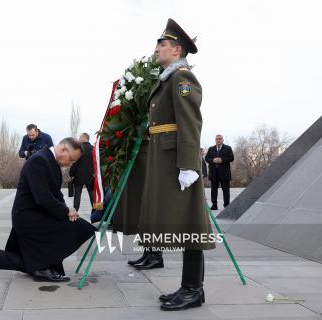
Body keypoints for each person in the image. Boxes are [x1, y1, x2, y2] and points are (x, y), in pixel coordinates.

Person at [138, 19, 216, 311]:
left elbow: (190, 122)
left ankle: (193, 289)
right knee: (181, 222)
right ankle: (189, 287)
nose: (157, 49)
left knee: (190, 223)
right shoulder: (168, 78)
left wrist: (188, 165)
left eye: (162, 44)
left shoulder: (182, 78)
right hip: (164, 156)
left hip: (177, 160)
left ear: (177, 49)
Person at [0, 138, 96, 282]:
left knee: (37, 262)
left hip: (38, 214)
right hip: (28, 217)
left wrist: (68, 208)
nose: (70, 164)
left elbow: (56, 194)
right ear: (63, 149)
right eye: (71, 159)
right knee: (77, 228)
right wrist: (66, 213)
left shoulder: (51, 161)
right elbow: (43, 198)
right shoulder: (39, 160)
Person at [112, 126, 164, 270]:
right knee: (142, 210)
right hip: (139, 153)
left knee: (148, 207)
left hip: (148, 153)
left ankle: (156, 255)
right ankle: (148, 253)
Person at [205, 135, 234, 210]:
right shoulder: (211, 149)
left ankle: (226, 205)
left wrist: (222, 160)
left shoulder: (228, 148)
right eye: (217, 139)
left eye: (220, 139)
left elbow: (231, 158)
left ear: (222, 140)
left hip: (224, 173)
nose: (218, 140)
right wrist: (213, 160)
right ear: (215, 140)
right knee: (213, 190)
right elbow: (207, 158)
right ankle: (214, 205)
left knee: (225, 190)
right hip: (214, 173)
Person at [68, 133, 94, 211]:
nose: (79, 139)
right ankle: (96, 211)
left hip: (79, 175)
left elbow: (75, 162)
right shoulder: (94, 149)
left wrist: (71, 173)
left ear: (84, 138)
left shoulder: (79, 149)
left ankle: (75, 211)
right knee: (91, 194)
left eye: (80, 137)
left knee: (77, 194)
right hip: (90, 175)